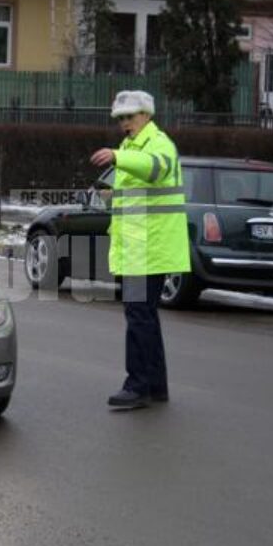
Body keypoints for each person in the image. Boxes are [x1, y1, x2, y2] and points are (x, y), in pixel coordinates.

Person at [89, 90, 190, 410]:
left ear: (146, 115)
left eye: (129, 117)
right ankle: (155, 385)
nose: (124, 124)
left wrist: (119, 158)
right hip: (138, 248)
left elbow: (156, 169)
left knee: (138, 317)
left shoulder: (158, 143)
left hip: (150, 250)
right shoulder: (131, 146)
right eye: (120, 119)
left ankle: (138, 386)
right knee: (145, 316)